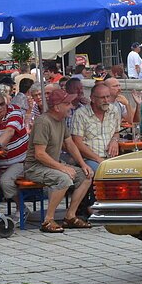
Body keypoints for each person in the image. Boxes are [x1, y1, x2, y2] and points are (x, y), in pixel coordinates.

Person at [23, 89, 93, 233]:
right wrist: (62, 167)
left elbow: (70, 144)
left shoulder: (61, 120)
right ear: (56, 107)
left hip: (51, 165)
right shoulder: (43, 122)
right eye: (67, 104)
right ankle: (48, 220)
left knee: (87, 175)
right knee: (64, 178)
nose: (71, 106)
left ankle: (70, 216)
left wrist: (83, 164)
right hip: (35, 167)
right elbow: (39, 154)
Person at [71, 84, 121, 173]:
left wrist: (114, 140)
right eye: (102, 98)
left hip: (111, 157)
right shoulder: (80, 114)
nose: (106, 100)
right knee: (104, 172)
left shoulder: (114, 110)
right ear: (93, 99)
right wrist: (98, 159)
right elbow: (77, 142)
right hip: (89, 159)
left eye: (108, 97)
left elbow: (116, 132)